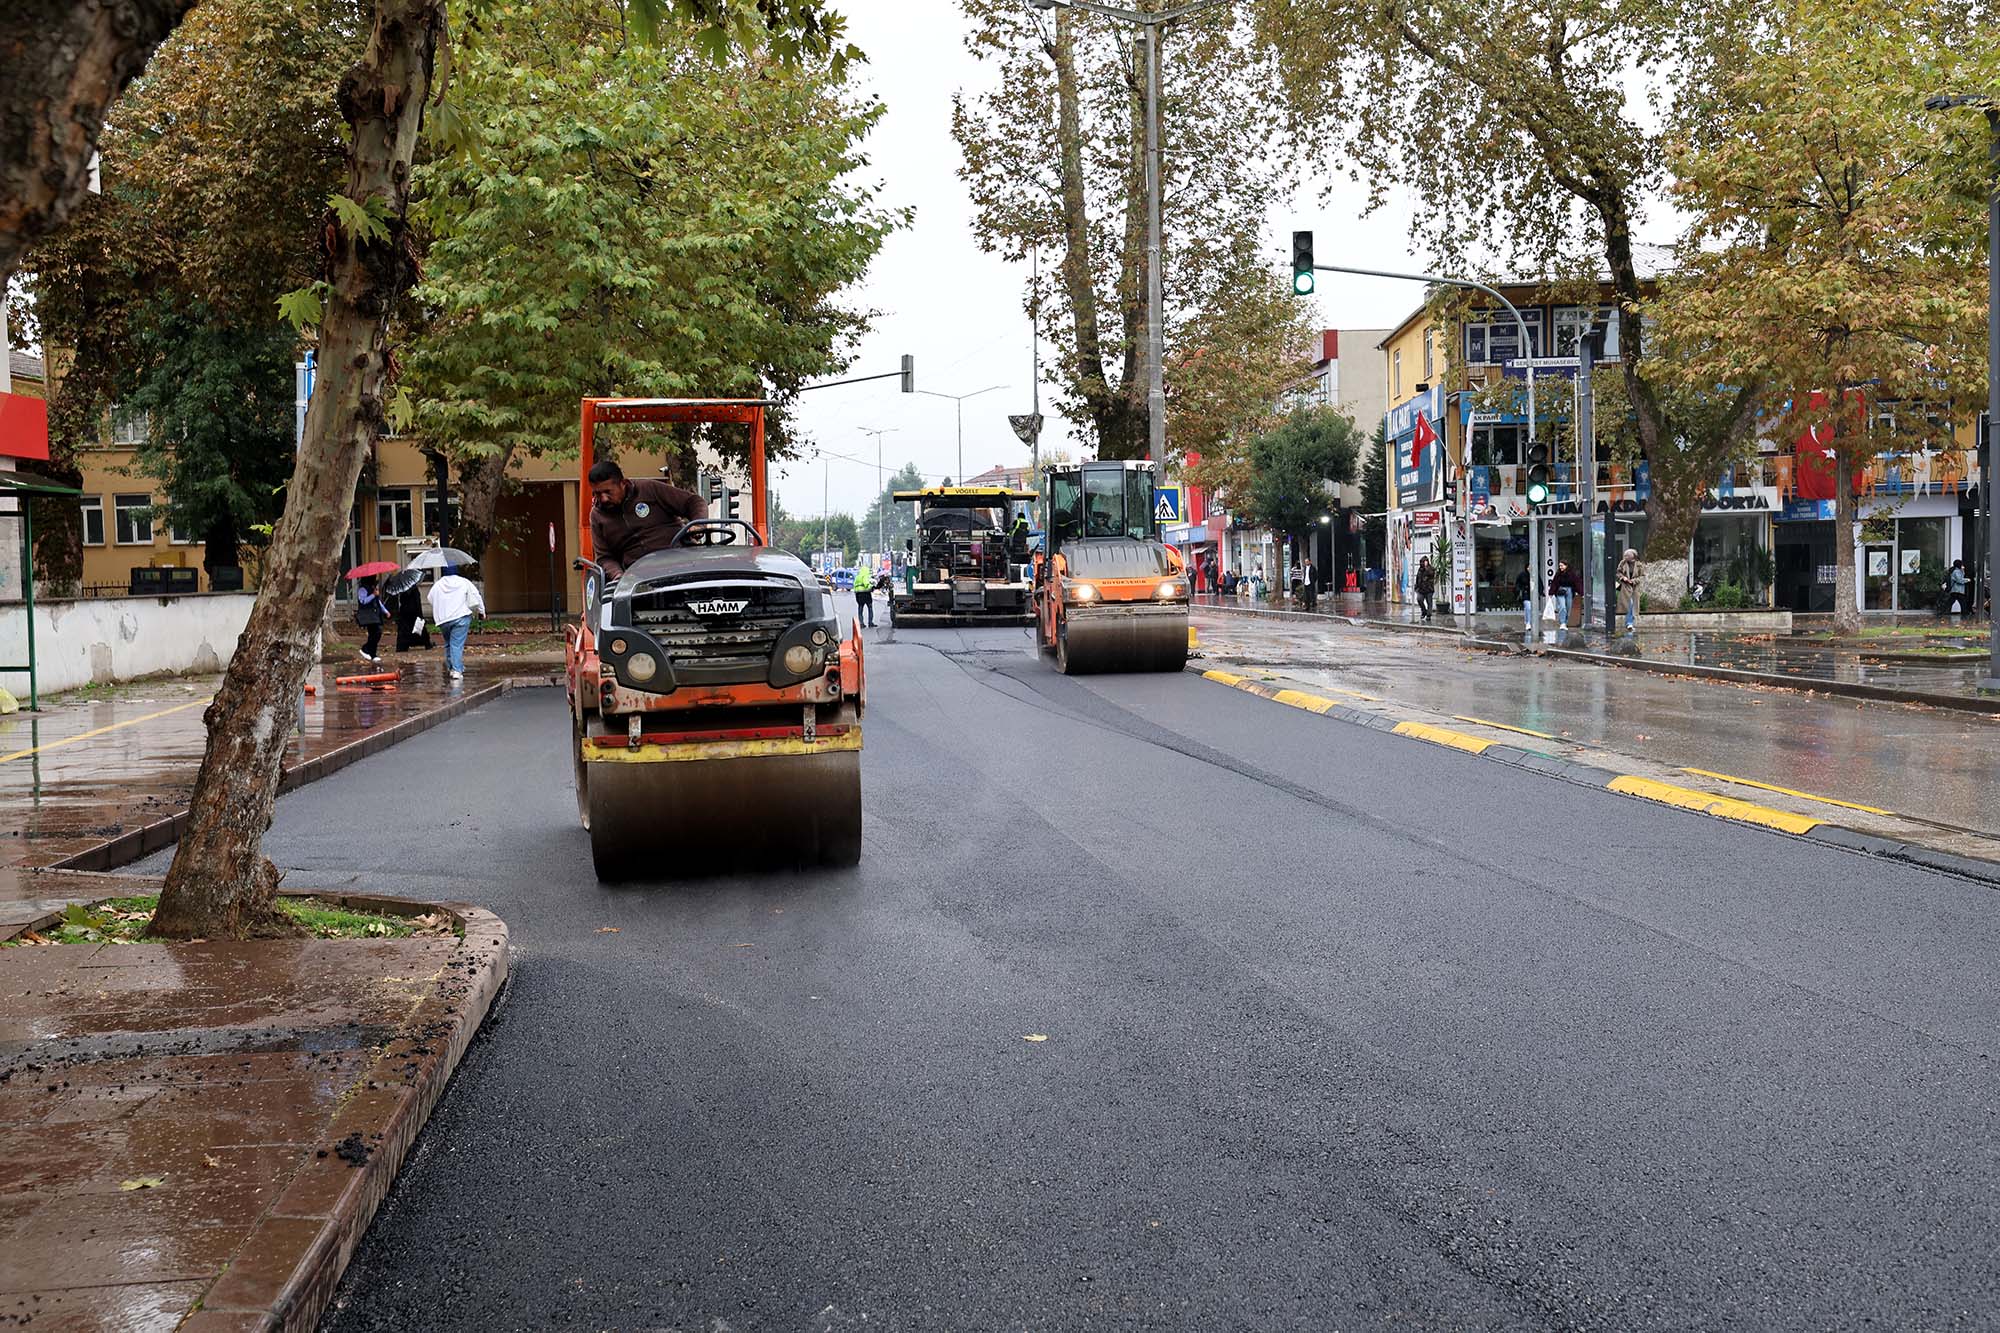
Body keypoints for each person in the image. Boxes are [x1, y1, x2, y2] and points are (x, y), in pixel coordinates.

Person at [587, 459, 706, 581]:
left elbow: (694, 502)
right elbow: (604, 557)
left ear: (623, 483)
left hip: (679, 561)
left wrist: (698, 524)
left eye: (608, 492)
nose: (604, 499)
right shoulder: (597, 516)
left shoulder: (649, 489)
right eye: (597, 494)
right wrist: (618, 576)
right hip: (637, 576)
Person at [426, 562, 485, 682]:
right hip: (461, 617)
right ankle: (457, 670)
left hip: (444, 620)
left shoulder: (438, 584)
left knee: (449, 643)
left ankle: (451, 667)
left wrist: (442, 607)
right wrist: (482, 611)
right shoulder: (464, 582)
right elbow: (476, 596)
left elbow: (430, 598)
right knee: (456, 644)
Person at [353, 576, 387, 663]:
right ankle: (365, 649)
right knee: (376, 632)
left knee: (374, 634)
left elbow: (378, 601)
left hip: (375, 614)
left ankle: (372, 653)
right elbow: (363, 601)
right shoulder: (362, 589)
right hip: (368, 616)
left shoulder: (373, 588)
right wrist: (373, 595)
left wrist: (385, 611)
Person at [394, 584, 431, 653]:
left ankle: (402, 646)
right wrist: (420, 615)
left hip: (405, 612)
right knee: (419, 629)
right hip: (414, 612)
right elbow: (417, 602)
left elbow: (401, 601)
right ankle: (426, 643)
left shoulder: (403, 589)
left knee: (404, 630)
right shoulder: (414, 589)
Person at [1617, 548, 1641, 633]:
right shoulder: (1622, 563)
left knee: (1634, 605)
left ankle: (1630, 622)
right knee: (1629, 605)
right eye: (1625, 555)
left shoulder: (1639, 565)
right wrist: (1623, 577)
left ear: (1632, 556)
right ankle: (1629, 623)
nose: (1625, 557)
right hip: (1625, 587)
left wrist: (1633, 581)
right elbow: (1618, 572)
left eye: (1627, 555)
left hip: (1634, 588)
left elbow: (1642, 576)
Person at [1551, 559, 1582, 627]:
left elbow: (1577, 583)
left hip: (1569, 591)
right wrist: (1551, 592)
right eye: (1559, 566)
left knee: (1569, 607)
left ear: (1566, 566)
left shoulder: (1572, 574)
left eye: (1562, 565)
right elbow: (1554, 583)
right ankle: (1562, 622)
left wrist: (1580, 592)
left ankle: (1566, 622)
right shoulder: (1558, 574)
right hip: (1560, 591)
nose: (1560, 567)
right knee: (1562, 607)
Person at [853, 558, 876, 627]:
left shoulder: (857, 577)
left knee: (860, 608)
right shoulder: (865, 576)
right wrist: (872, 586)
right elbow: (866, 584)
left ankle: (861, 623)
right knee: (870, 608)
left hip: (858, 594)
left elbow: (854, 585)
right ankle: (870, 622)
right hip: (866, 594)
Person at [1414, 556, 1436, 622]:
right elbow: (1418, 578)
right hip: (1421, 589)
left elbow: (1431, 574)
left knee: (1429, 602)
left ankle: (1428, 615)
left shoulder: (1431, 568)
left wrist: (1426, 568)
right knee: (1419, 599)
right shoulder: (1420, 569)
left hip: (1429, 589)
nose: (1422, 564)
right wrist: (1416, 586)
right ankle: (1424, 611)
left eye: (1423, 562)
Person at [1515, 566, 1533, 631]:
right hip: (1525, 594)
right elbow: (1517, 584)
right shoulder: (1522, 575)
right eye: (1528, 567)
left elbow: (1539, 583)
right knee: (1528, 607)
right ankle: (1528, 623)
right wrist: (1519, 590)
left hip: (1533, 594)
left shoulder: (1535, 574)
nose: (1529, 569)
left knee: (1528, 609)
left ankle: (1527, 621)